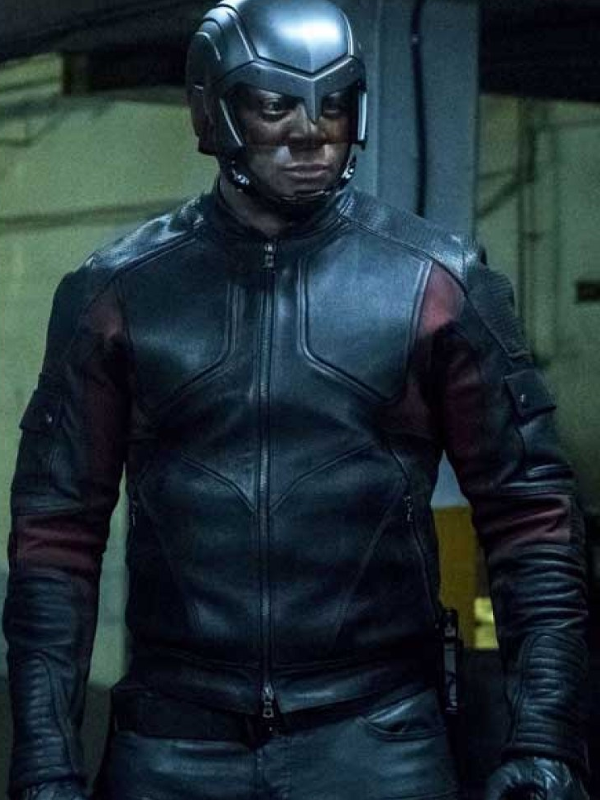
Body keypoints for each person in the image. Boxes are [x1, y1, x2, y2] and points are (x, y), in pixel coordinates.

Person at [3, 1, 589, 799]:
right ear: (213, 112)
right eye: (276, 104)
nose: (312, 133)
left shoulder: (435, 284)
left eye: (334, 103)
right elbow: (56, 538)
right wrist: (44, 762)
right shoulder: (116, 295)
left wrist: (546, 739)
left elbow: (532, 519)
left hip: (379, 741)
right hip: (173, 743)